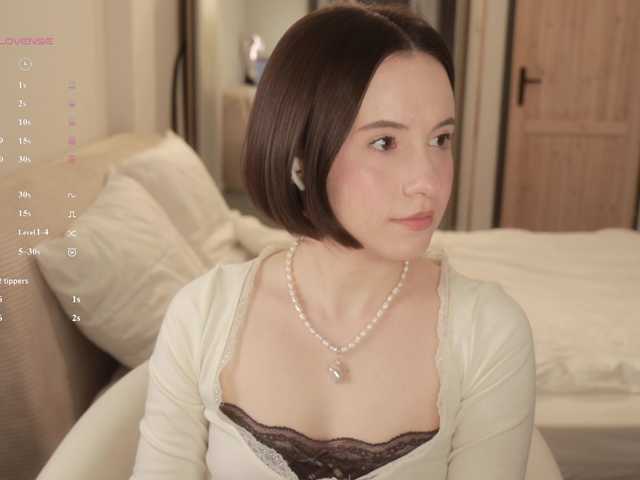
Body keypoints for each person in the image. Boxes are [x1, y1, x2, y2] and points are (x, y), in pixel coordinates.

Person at [129, 2, 536, 479]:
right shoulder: (201, 317)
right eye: (385, 143)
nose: (427, 181)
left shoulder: (488, 332)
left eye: (440, 139)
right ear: (300, 157)